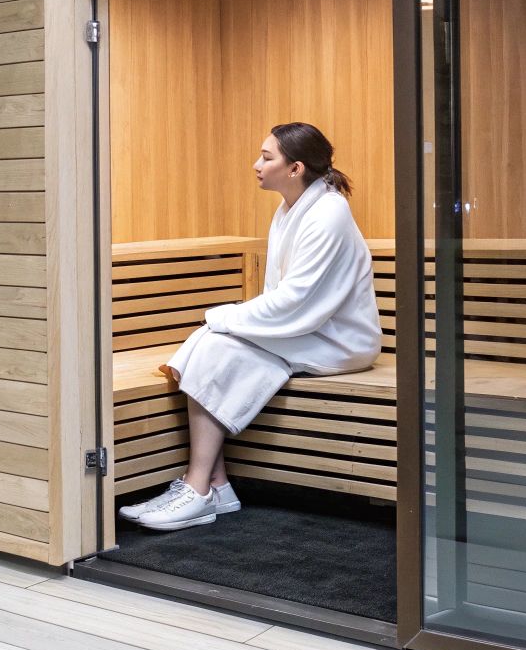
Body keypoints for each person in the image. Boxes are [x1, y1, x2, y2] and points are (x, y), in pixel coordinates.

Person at [119, 122, 383, 531]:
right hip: (305, 329)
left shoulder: (328, 213)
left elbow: (297, 301)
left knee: (215, 340)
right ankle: (213, 484)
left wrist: (222, 317)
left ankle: (200, 487)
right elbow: (285, 298)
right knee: (211, 343)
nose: (255, 164)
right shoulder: (290, 208)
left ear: (295, 168)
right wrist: (222, 323)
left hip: (337, 340)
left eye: (266, 156)